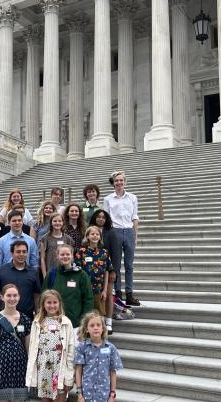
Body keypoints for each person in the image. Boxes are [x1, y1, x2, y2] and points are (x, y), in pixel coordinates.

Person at [26, 290, 76, 402]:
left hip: (60, 370)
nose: (52, 305)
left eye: (55, 302)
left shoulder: (66, 322)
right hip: (43, 368)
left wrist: (68, 377)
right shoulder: (37, 322)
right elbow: (33, 349)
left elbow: (70, 351)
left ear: (59, 303)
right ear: (43, 304)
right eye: (49, 302)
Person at [103, 170, 140, 306]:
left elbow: (135, 217)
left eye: (121, 180)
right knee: (116, 266)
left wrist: (135, 236)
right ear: (113, 183)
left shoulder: (132, 197)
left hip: (129, 231)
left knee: (129, 265)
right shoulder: (108, 199)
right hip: (115, 232)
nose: (119, 182)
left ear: (125, 182)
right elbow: (106, 219)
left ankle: (129, 294)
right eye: (116, 180)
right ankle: (118, 294)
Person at [74, 312, 123, 402]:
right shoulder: (82, 347)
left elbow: (113, 372)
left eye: (98, 325)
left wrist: (112, 395)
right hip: (87, 395)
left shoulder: (111, 348)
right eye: (92, 325)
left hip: (104, 395)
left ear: (103, 328)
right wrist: (79, 393)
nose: (95, 328)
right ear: (86, 329)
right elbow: (78, 370)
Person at [43, 245, 93, 328]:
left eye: (67, 254)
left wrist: (84, 322)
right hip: (54, 324)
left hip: (75, 325)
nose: (65, 257)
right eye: (62, 254)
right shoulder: (52, 274)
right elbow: (43, 297)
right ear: (57, 256)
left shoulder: (81, 275)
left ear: (72, 256)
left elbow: (88, 300)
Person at [0, 240, 41, 316]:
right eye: (18, 252)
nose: (21, 254)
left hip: (27, 317)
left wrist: (38, 316)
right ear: (12, 254)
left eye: (24, 252)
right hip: (4, 318)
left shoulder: (33, 272)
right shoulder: (1, 270)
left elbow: (36, 296)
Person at [74, 226, 112, 324]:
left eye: (97, 234)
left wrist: (104, 290)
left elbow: (107, 271)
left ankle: (100, 335)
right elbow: (77, 271)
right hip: (85, 289)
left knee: (100, 314)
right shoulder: (81, 252)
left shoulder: (104, 252)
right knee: (86, 314)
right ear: (87, 236)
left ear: (100, 237)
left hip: (99, 290)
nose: (95, 236)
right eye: (92, 234)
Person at [39, 213, 73, 280]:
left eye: (60, 221)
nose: (57, 223)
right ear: (51, 223)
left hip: (65, 272)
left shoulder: (68, 239)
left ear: (63, 222)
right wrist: (45, 275)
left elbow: (71, 257)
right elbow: (42, 259)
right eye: (55, 221)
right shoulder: (45, 238)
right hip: (51, 273)